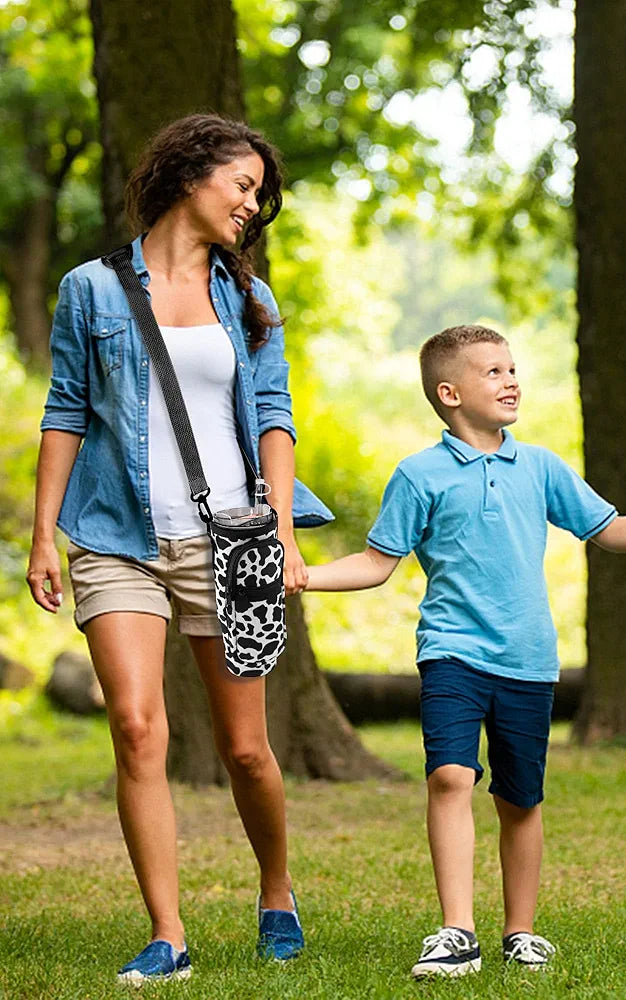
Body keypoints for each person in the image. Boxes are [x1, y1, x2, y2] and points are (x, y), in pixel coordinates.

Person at [306, 325, 626, 978]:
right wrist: (302, 576)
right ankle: (457, 932)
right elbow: (374, 562)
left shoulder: (541, 467)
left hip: (527, 662)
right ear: (449, 393)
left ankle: (520, 931)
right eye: (492, 372)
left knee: (520, 799)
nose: (511, 380)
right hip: (451, 654)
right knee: (450, 775)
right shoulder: (419, 475)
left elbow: (607, 529)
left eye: (512, 368)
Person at [26, 114, 332, 984]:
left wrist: (277, 527)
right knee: (134, 726)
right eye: (242, 185)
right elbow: (65, 411)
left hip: (228, 538)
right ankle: (169, 932)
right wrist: (43, 535)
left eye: (258, 196)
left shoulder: (251, 299)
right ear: (190, 173)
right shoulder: (90, 288)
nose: (251, 204)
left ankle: (277, 890)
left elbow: (275, 419)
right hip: (117, 535)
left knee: (245, 748)